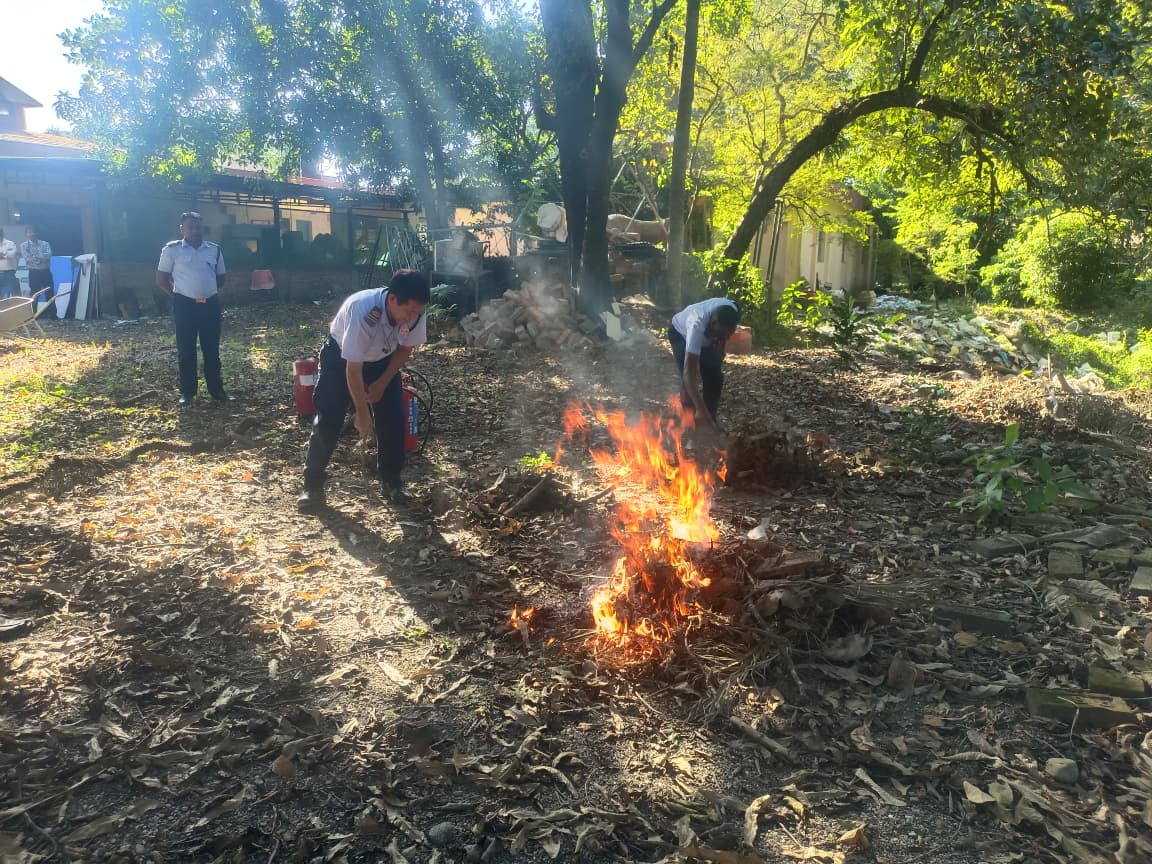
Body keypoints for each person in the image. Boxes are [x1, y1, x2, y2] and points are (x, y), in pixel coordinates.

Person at [298, 269, 431, 512]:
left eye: (417, 311)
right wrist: (361, 411)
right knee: (330, 417)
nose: (412, 317)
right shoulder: (364, 312)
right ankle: (312, 485)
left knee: (392, 419)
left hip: (383, 359)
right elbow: (353, 368)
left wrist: (382, 382)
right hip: (342, 360)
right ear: (392, 299)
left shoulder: (415, 315)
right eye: (408, 310)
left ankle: (392, 480)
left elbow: (405, 350)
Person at [156, 212, 229, 406]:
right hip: (185, 306)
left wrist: (206, 292)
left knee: (212, 350)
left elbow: (221, 279)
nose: (196, 231)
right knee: (186, 351)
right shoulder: (171, 250)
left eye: (199, 227)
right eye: (191, 227)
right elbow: (161, 279)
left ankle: (217, 390)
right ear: (182, 229)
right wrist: (179, 296)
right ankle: (187, 393)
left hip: (210, 305)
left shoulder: (214, 250)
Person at [667, 297, 741, 433]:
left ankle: (709, 421)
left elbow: (724, 334)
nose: (719, 340)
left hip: (707, 333)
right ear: (713, 323)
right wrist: (700, 409)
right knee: (687, 383)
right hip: (680, 334)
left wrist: (721, 342)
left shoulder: (733, 310)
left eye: (724, 336)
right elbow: (689, 373)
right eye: (718, 336)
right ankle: (690, 424)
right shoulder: (696, 326)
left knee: (714, 376)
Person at [19, 226, 53, 303]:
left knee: (50, 293)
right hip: (34, 273)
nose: (32, 234)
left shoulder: (45, 243)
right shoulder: (23, 245)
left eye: (33, 232)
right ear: (26, 234)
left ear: (37, 233)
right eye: (29, 232)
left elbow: (48, 255)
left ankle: (52, 314)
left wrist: (35, 257)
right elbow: (27, 258)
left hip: (46, 272)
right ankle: (33, 314)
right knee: (34, 294)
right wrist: (40, 258)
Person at [0, 229, 18, 300]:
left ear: (2, 233)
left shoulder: (10, 243)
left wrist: (2, 255)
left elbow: (12, 254)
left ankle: (17, 310)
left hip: (9, 273)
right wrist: (5, 254)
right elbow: (8, 254)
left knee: (15, 295)